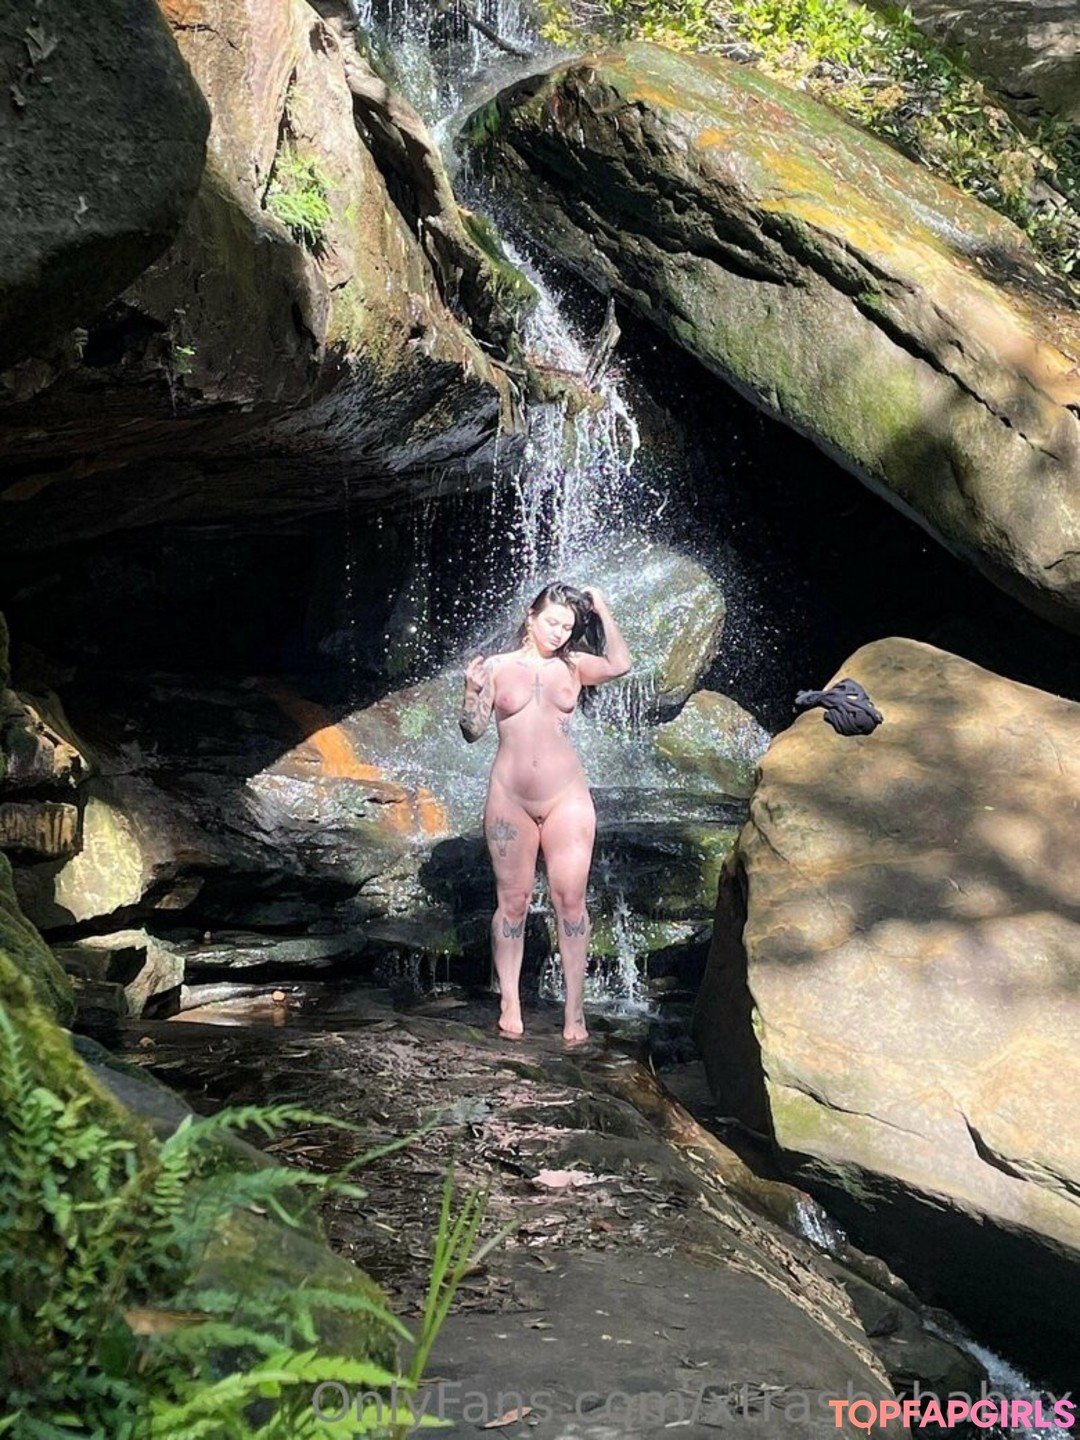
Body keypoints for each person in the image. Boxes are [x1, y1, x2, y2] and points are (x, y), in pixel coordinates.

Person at [459, 582, 632, 1043]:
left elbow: (620, 663)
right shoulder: (496, 668)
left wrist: (602, 607)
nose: (559, 633)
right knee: (513, 901)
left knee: (570, 900)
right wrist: (471, 691)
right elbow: (472, 731)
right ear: (531, 616)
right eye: (552, 622)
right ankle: (510, 1001)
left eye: (568, 627)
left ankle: (575, 1011)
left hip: (566, 798)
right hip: (510, 799)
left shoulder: (574, 666)